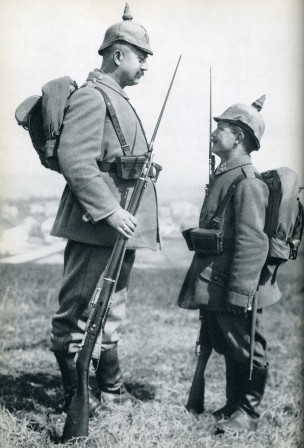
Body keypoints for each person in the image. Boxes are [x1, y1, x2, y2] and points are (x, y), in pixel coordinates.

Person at [50, 4, 160, 413]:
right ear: (118, 54)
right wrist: (110, 210)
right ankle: (76, 397)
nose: (146, 64)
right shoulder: (93, 97)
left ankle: (110, 391)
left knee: (111, 310)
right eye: (141, 55)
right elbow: (75, 161)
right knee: (77, 313)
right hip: (95, 225)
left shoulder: (118, 99)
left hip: (118, 228)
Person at [178, 96, 281, 434]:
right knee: (229, 344)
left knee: (247, 347)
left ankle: (248, 414)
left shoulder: (247, 182)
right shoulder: (227, 175)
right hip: (218, 278)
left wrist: (240, 292)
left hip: (233, 282)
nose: (213, 133)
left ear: (237, 137)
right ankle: (234, 404)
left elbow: (253, 242)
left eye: (219, 128)